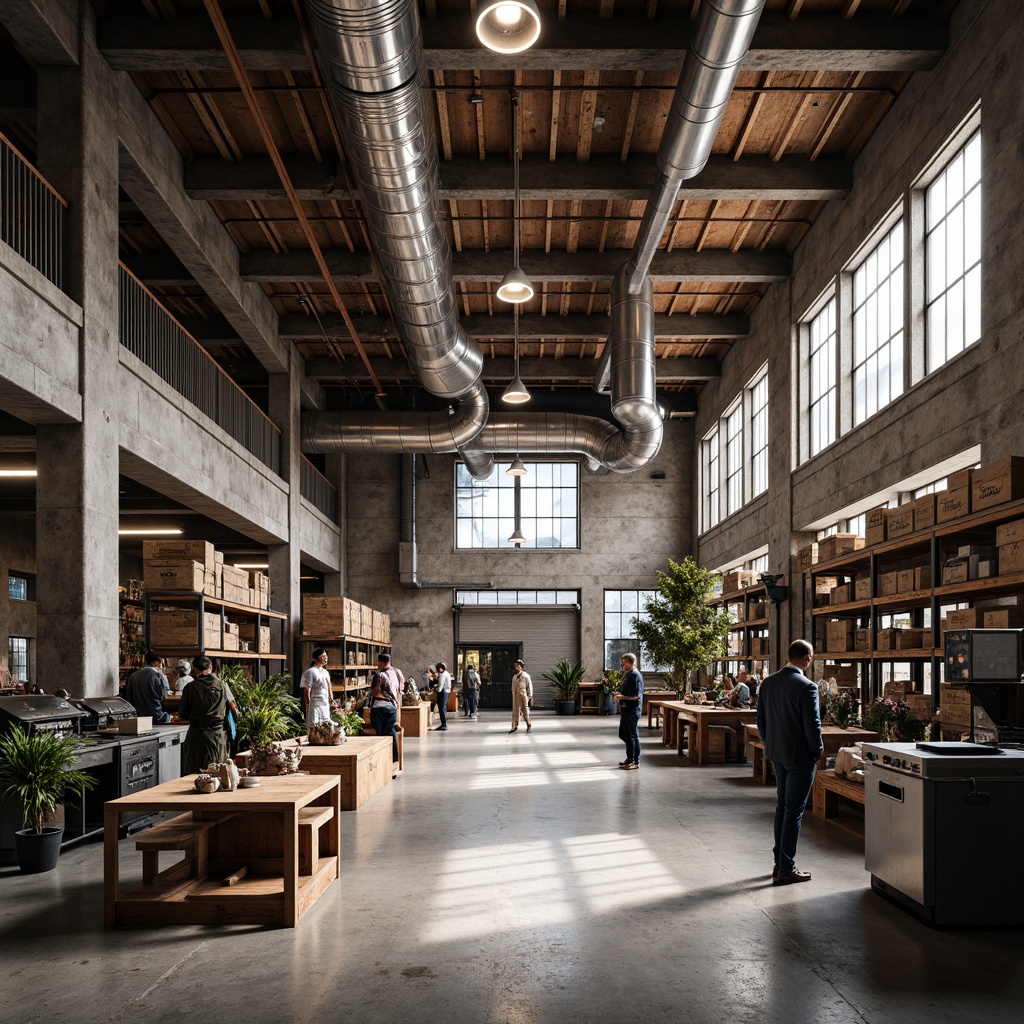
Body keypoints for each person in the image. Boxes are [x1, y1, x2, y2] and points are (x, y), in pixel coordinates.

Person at [756, 639, 823, 886]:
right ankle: (786, 868)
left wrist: (769, 743)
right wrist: (817, 751)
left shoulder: (768, 682)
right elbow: (812, 725)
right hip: (800, 757)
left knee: (782, 807)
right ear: (807, 658)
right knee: (794, 811)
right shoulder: (807, 687)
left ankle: (779, 863)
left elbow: (760, 718)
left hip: (777, 754)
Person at [179, 655, 234, 774]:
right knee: (219, 772)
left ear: (194, 668)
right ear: (210, 667)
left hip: (197, 736)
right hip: (217, 736)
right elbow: (233, 709)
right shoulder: (222, 685)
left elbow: (183, 714)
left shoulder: (190, 687)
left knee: (194, 774)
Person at [368, 653, 402, 769]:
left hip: (379, 707)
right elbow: (399, 691)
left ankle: (383, 761)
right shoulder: (397, 673)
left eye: (378, 662)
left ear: (382, 662)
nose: (377, 665)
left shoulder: (379, 675)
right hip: (392, 707)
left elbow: (376, 691)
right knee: (390, 731)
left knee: (381, 735)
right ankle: (394, 758)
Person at [124, 650, 170, 724]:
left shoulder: (133, 676)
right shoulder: (158, 676)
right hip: (157, 717)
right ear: (156, 663)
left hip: (138, 718)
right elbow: (163, 697)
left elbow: (129, 698)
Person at [615, 652, 643, 768]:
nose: (623, 665)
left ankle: (634, 761)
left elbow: (636, 696)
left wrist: (621, 697)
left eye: (624, 663)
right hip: (626, 709)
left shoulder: (635, 676)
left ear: (630, 662)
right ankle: (629, 758)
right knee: (624, 734)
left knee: (632, 735)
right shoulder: (628, 674)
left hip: (632, 709)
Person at [300, 647, 334, 729]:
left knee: (326, 723)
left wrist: (331, 698)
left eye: (326, 656)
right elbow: (307, 689)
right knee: (315, 724)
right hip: (315, 703)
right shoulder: (310, 672)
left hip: (325, 702)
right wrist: (308, 704)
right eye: (324, 656)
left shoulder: (325, 672)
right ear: (316, 658)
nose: (326, 658)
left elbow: (329, 686)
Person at [509, 659, 533, 733]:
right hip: (516, 695)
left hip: (523, 695)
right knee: (515, 711)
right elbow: (513, 687)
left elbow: (530, 686)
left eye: (518, 666)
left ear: (521, 667)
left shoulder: (525, 676)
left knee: (525, 711)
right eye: (516, 666)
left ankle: (528, 724)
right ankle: (514, 726)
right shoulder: (514, 677)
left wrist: (530, 695)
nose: (516, 668)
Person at [434, 661, 452, 730]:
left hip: (443, 693)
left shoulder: (443, 675)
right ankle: (444, 724)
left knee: (442, 709)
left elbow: (440, 687)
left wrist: (435, 689)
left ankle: (444, 725)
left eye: (438, 668)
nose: (438, 670)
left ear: (441, 668)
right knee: (444, 708)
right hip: (447, 692)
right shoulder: (447, 673)